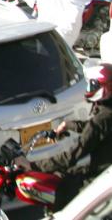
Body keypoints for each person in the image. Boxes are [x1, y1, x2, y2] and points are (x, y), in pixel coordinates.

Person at [15, 64, 112, 210]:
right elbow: (94, 128)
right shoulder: (106, 112)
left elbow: (75, 153)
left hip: (101, 178)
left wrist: (34, 166)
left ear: (104, 87)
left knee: (61, 190)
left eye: (92, 84)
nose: (89, 88)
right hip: (105, 172)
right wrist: (68, 125)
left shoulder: (103, 117)